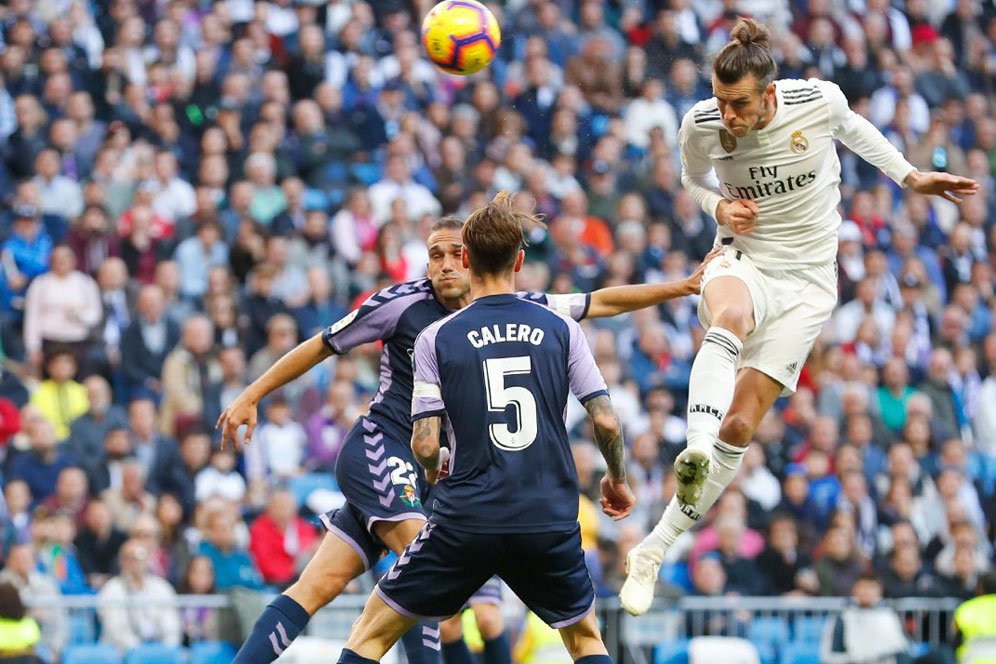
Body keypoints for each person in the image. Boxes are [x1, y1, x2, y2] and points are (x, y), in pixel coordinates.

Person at [219, 213, 709, 664]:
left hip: (448, 475)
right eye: (435, 255)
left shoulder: (516, 309)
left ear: (472, 259)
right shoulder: (401, 304)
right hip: (385, 447)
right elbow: (323, 344)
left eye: (455, 253)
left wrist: (682, 288)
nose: (445, 265)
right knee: (427, 582)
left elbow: (599, 301)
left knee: (318, 585)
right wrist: (254, 392)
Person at [619, 17, 979, 616]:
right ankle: (696, 448)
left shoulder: (817, 102)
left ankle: (653, 550)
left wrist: (912, 178)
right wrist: (717, 206)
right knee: (727, 316)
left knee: (741, 428)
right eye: (719, 100)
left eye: (738, 104)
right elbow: (691, 176)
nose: (727, 115)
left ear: (769, 93)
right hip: (743, 258)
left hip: (808, 283)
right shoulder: (702, 125)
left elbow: (860, 134)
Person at [332, 191, 634, 664]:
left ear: (467, 258)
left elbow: (425, 442)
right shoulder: (561, 328)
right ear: (518, 259)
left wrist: (433, 474)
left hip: (467, 517)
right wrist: (617, 477)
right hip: (547, 516)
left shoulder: (438, 336)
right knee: (585, 640)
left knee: (370, 634)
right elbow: (606, 421)